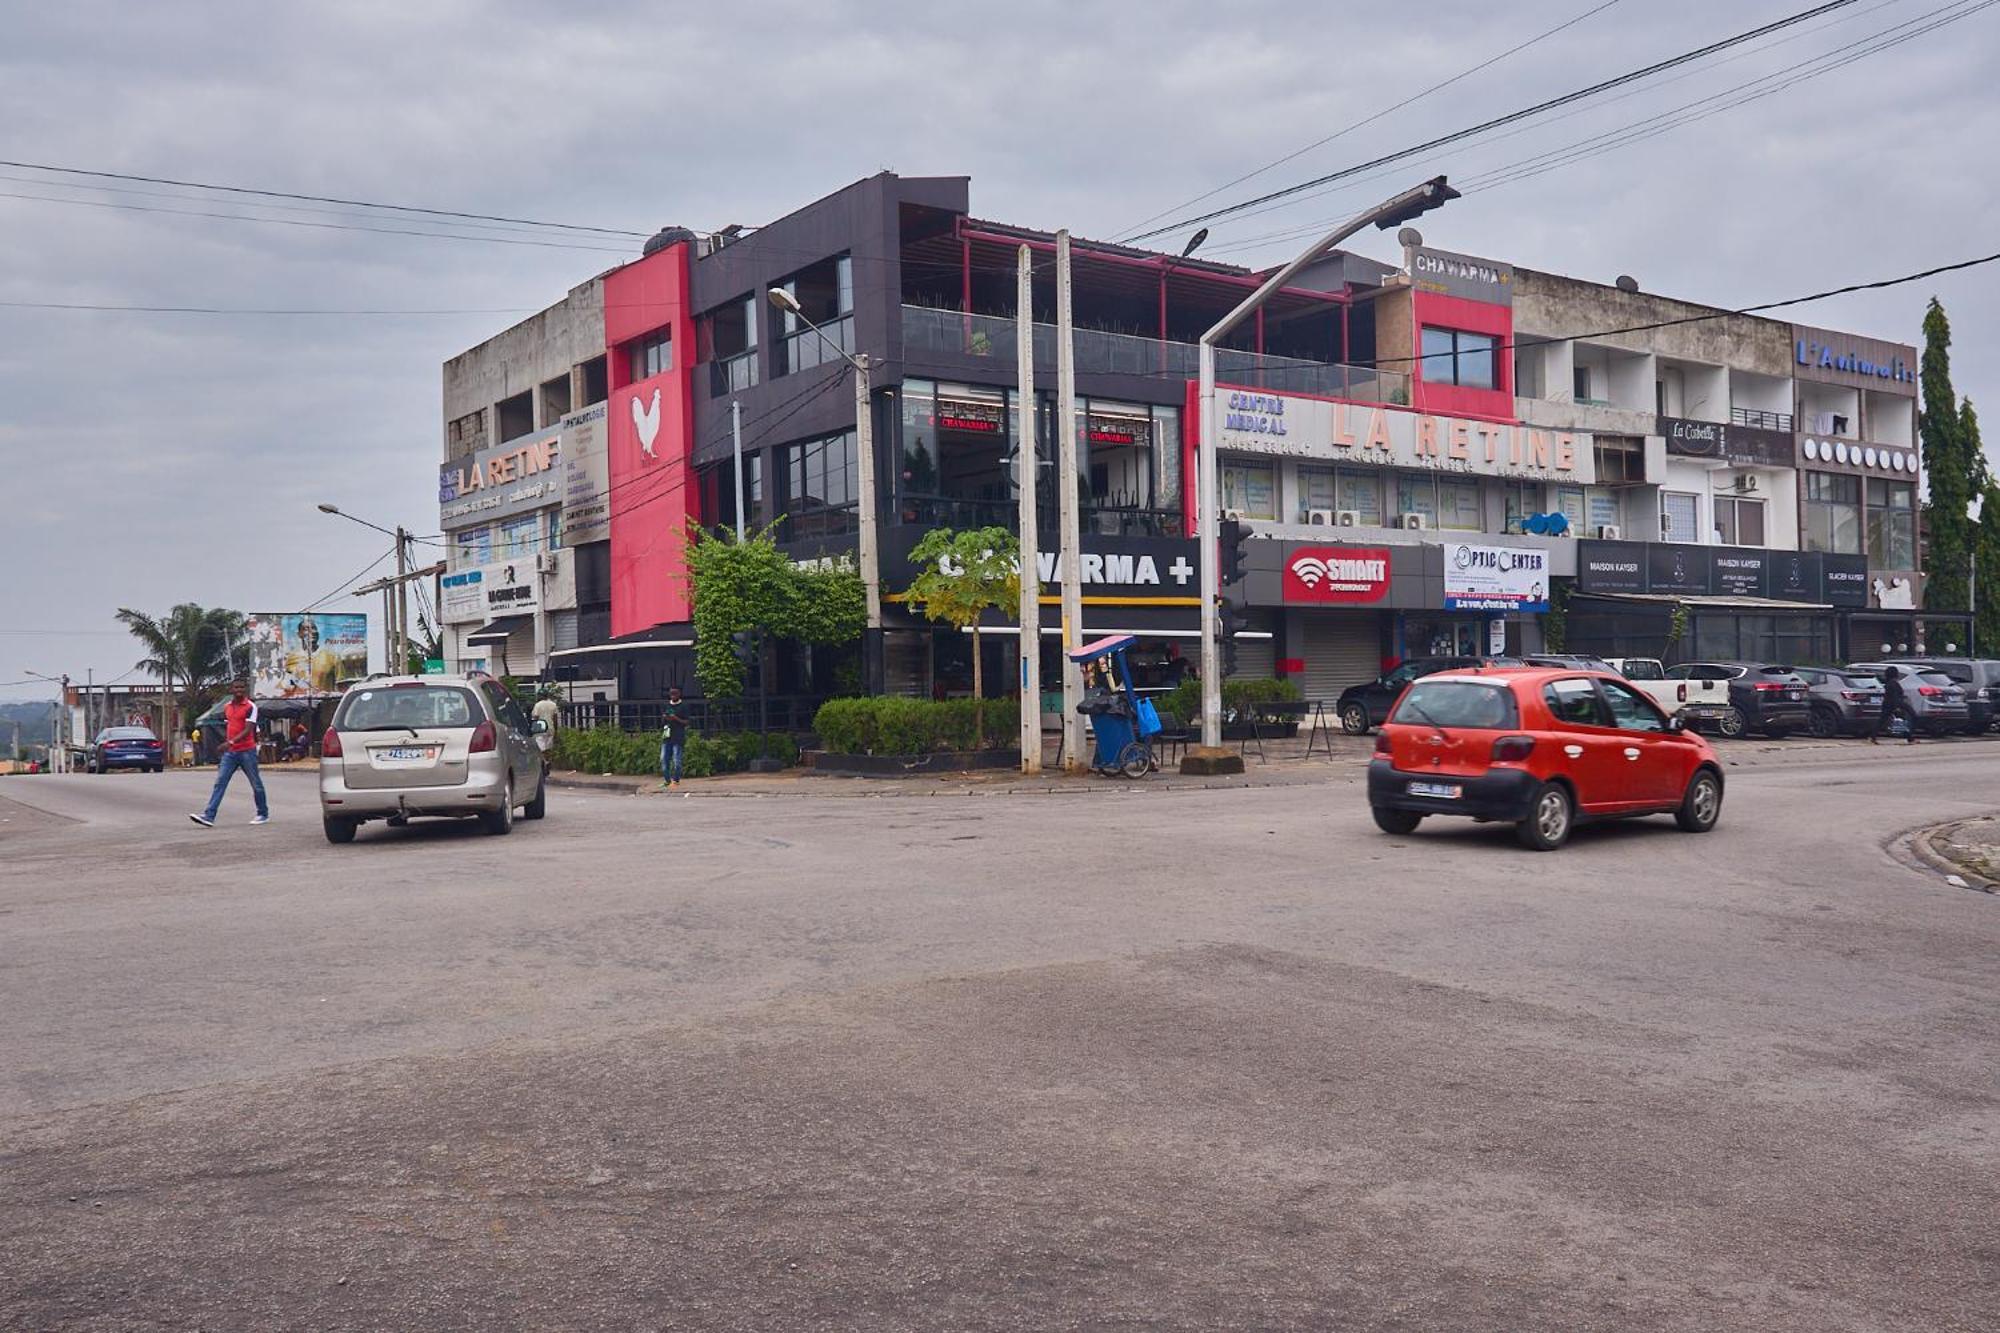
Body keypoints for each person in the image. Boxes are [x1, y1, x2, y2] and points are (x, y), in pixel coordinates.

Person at [190, 679, 270, 826]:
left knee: (256, 784)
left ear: (245, 689)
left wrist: (230, 742)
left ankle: (263, 813)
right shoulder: (227, 707)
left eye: (241, 687)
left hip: (247, 751)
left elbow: (248, 730)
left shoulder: (250, 707)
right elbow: (231, 727)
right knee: (220, 782)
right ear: (231, 689)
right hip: (231, 753)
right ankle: (209, 815)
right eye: (236, 687)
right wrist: (228, 743)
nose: (239, 690)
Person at [1871, 665, 1919, 745]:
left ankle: (1872, 737)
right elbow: (1895, 696)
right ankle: (1910, 738)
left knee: (1883, 721)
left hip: (1888, 704)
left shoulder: (1889, 683)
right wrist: (1897, 707)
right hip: (1895, 704)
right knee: (1907, 718)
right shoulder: (1893, 684)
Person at [660, 687, 688, 790]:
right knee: (663, 759)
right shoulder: (666, 705)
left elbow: (686, 722)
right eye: (671, 694)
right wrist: (665, 718)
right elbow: (662, 721)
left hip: (678, 736)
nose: (673, 695)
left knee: (677, 761)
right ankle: (667, 781)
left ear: (679, 694)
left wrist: (675, 718)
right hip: (667, 736)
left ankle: (676, 780)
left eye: (675, 693)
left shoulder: (683, 706)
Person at [532, 690, 561, 755]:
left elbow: (536, 717)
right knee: (549, 748)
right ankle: (548, 761)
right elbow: (555, 719)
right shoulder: (553, 704)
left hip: (541, 729)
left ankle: (545, 762)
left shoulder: (537, 705)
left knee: (541, 748)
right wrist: (556, 730)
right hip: (550, 728)